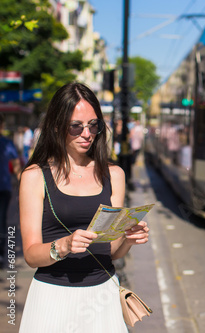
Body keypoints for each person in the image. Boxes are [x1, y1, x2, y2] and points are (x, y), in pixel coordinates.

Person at [18, 82, 149, 332]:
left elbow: (110, 250)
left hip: (102, 297)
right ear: (57, 127)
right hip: (52, 297)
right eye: (76, 126)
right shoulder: (35, 176)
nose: (87, 134)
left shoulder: (114, 174)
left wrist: (129, 239)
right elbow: (31, 254)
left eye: (93, 125)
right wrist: (63, 246)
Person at [0, 114, 21, 264]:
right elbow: (17, 167)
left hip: (4, 186)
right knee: (1, 220)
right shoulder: (7, 143)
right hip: (4, 187)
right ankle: (1, 253)